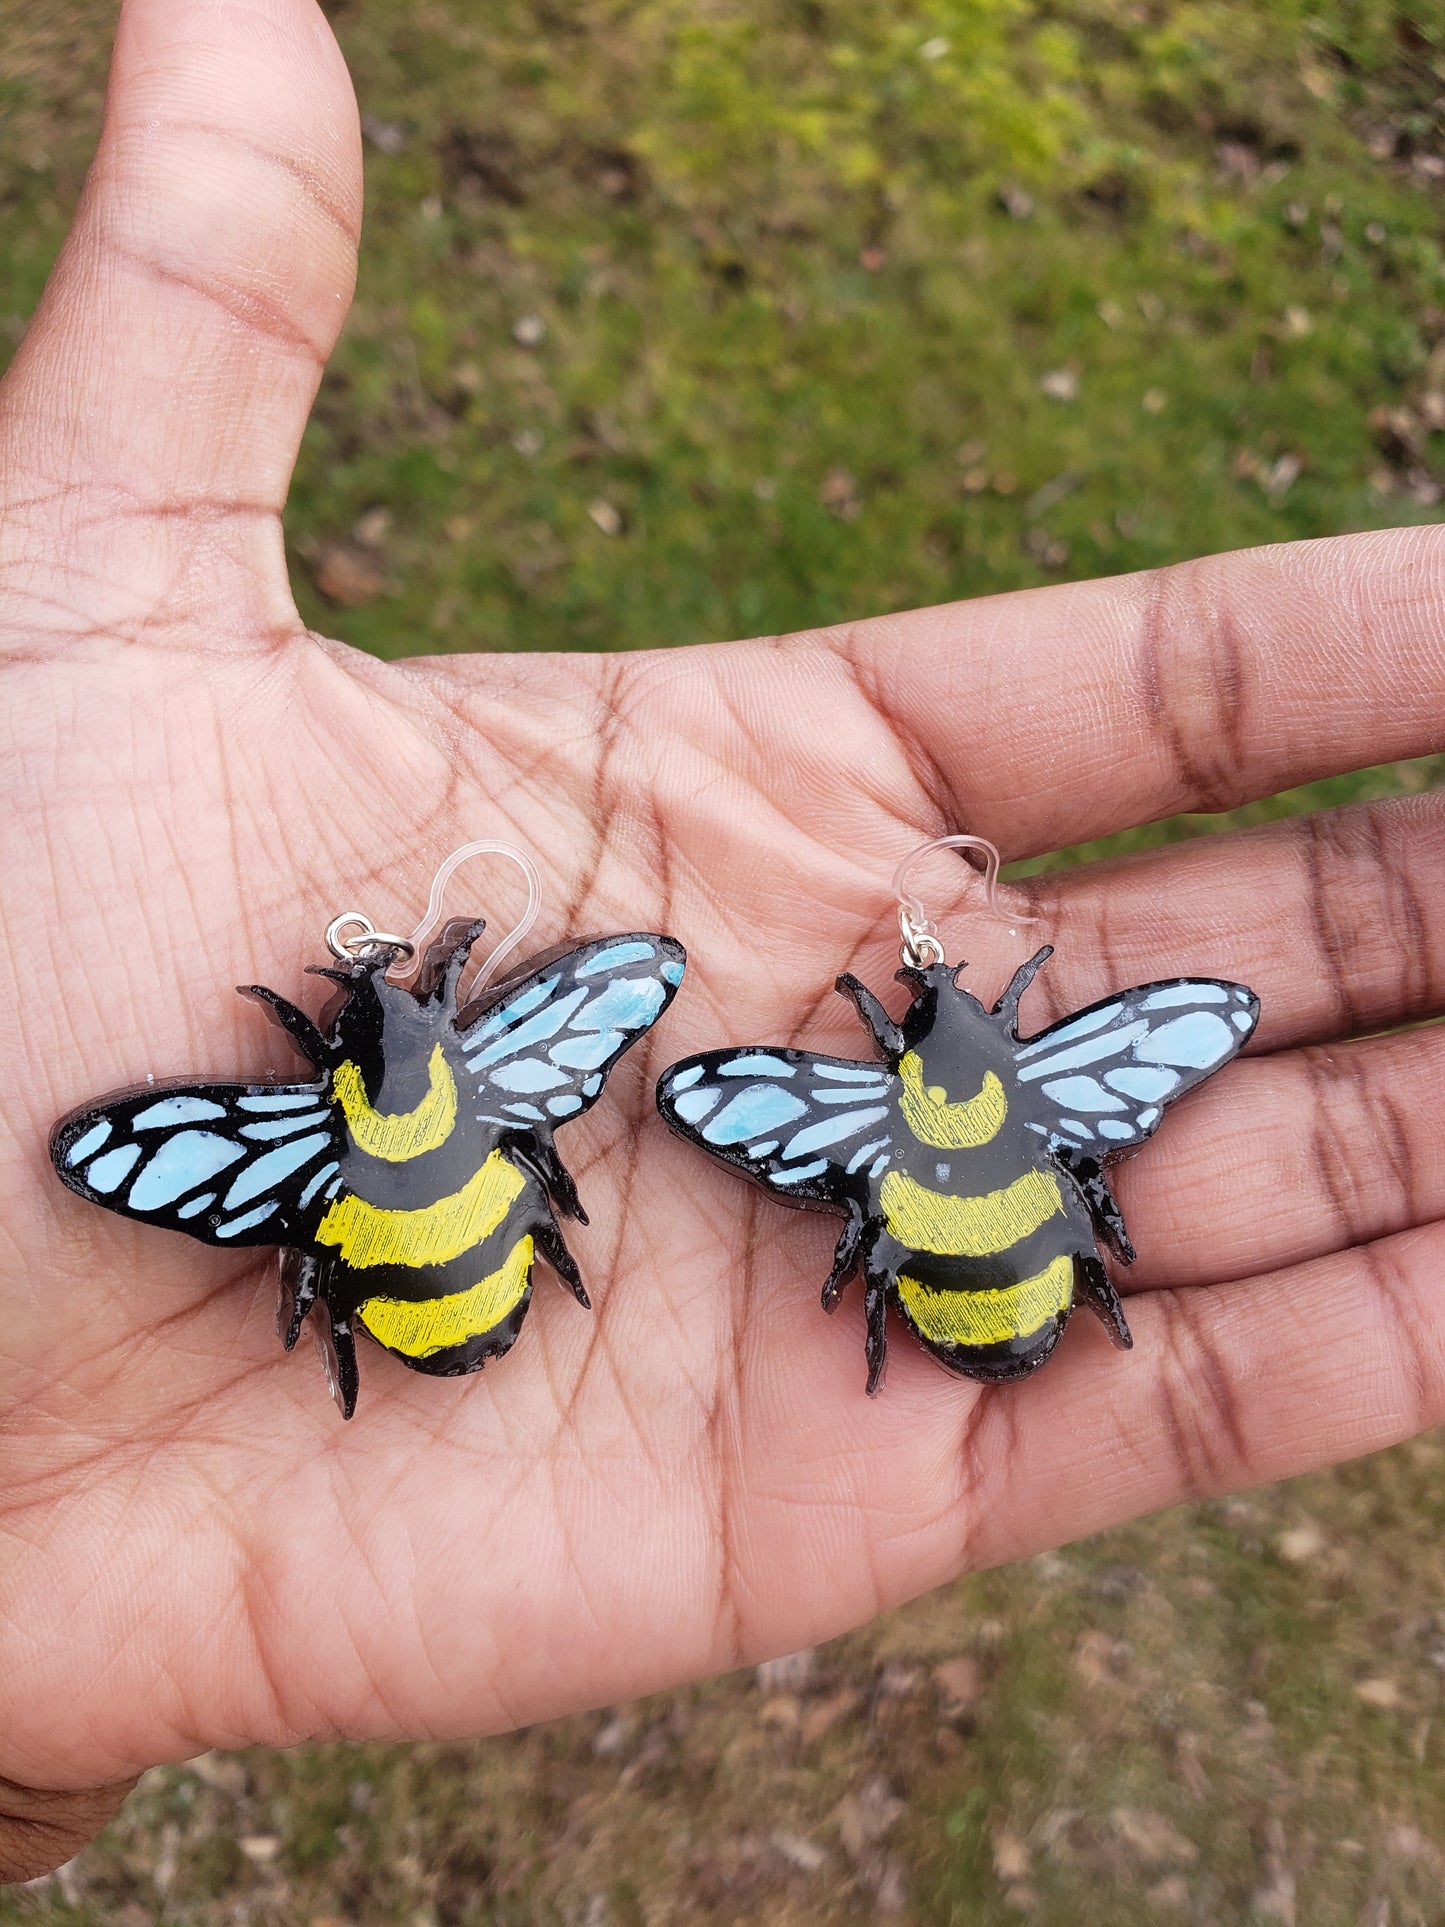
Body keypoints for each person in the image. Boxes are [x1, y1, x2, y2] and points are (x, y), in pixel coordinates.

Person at [4, 0, 1444, 1885]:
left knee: (456, 1217)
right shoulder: (793, 1071)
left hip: (573, 1240)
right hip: (894, 1228)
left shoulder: (347, 1126)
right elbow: (669, 1053)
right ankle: (965, 1267)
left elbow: (664, 1086)